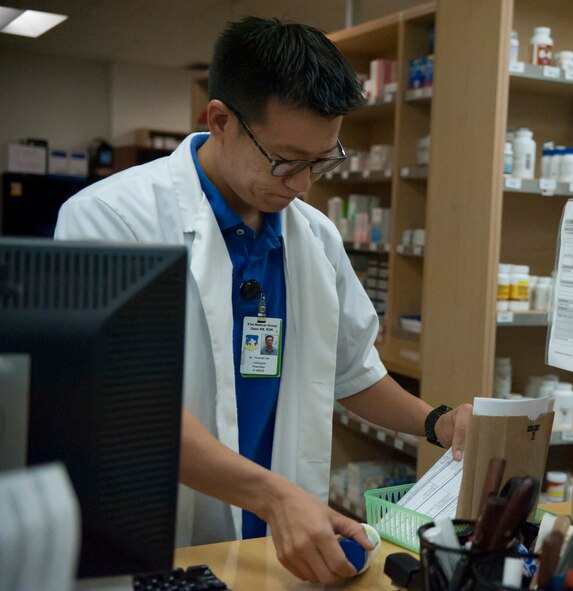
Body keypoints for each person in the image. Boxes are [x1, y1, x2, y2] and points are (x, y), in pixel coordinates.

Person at [54, 17, 472, 584]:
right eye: (287, 160)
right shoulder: (111, 219)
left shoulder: (314, 235)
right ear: (221, 120)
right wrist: (277, 497)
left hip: (271, 544)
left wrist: (437, 422)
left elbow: (353, 371)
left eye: (322, 161)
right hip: (154, 538)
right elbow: (125, 410)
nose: (303, 186)